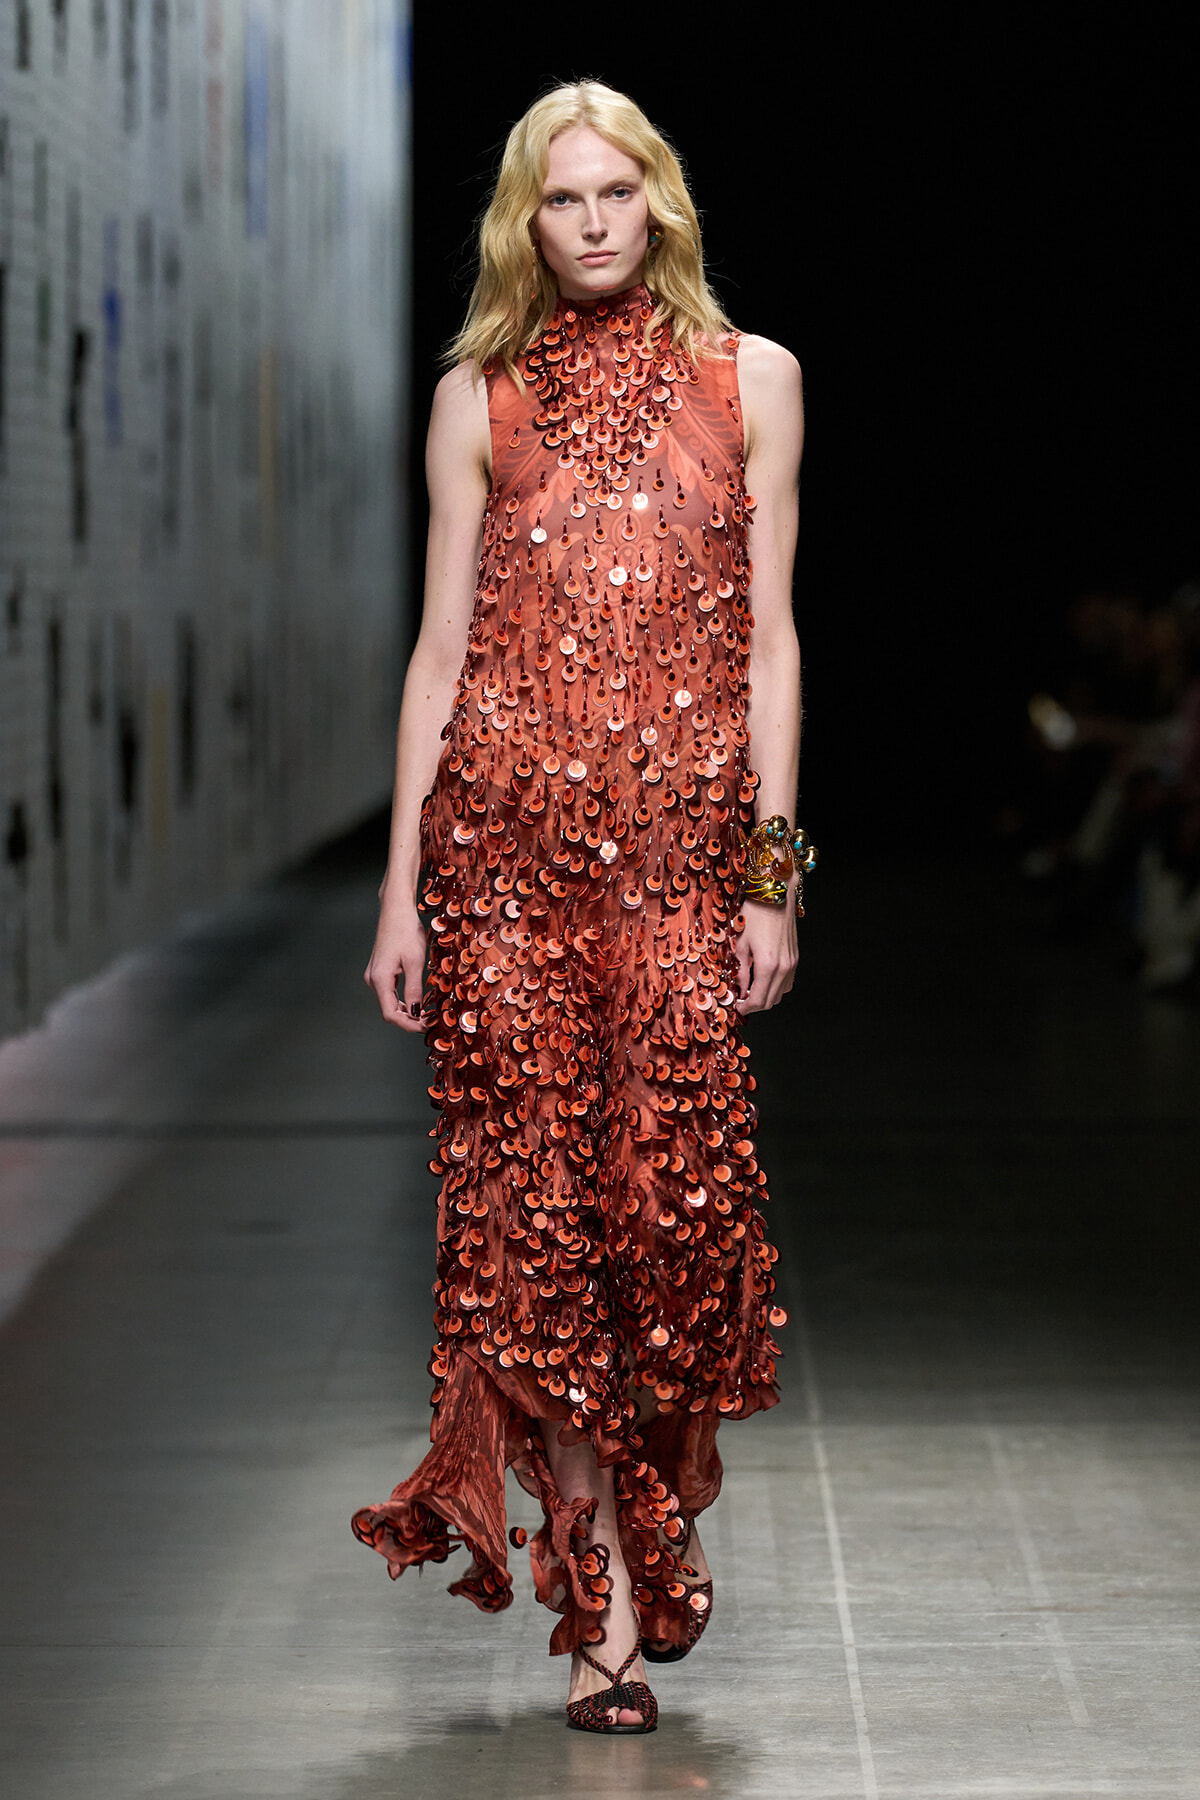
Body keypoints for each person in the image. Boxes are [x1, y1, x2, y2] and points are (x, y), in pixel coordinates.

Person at [354, 79, 807, 1735]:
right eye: (566, 199)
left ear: (663, 203)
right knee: (533, 1248)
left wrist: (773, 880)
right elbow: (438, 656)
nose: (598, 221)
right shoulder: (477, 399)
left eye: (622, 191)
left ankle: (660, 1516)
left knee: (673, 1232)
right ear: (523, 222)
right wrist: (403, 889)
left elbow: (771, 646)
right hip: (500, 882)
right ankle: (599, 1603)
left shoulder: (753, 381)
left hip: (684, 881)